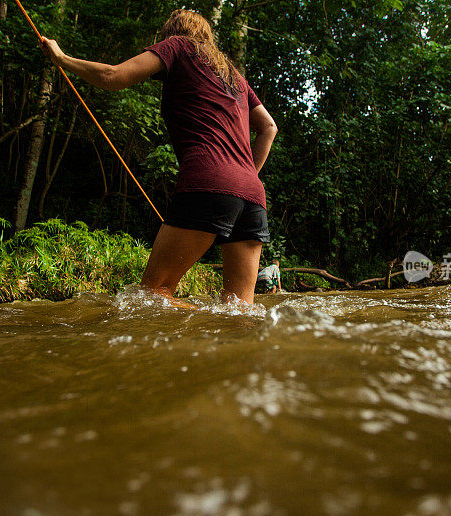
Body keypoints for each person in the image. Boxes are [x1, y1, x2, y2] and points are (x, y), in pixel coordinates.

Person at [40, 9, 277, 305]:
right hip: (253, 196)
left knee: (153, 295)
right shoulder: (233, 75)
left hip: (208, 183)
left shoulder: (178, 45)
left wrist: (61, 58)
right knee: (238, 311)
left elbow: (114, 77)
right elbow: (269, 127)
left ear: (171, 32)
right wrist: (246, 176)